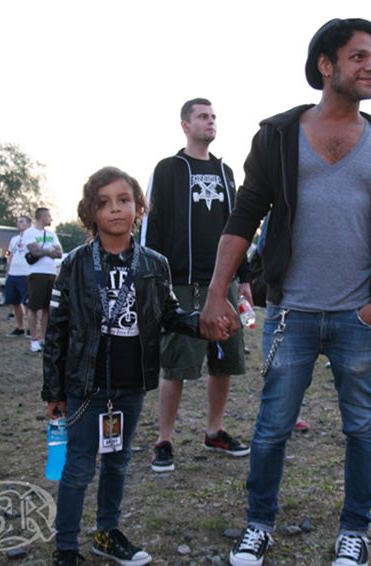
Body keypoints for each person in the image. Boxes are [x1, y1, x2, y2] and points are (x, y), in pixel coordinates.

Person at [199, 18, 371, 566]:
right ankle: (258, 525)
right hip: (289, 313)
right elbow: (245, 216)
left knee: (363, 427)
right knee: (272, 427)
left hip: (358, 317)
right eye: (359, 57)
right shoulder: (278, 136)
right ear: (326, 65)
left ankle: (355, 532)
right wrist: (217, 292)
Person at [42, 166, 227, 566]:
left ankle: (107, 534)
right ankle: (67, 547)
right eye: (104, 202)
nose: (115, 209)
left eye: (124, 200)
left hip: (130, 384)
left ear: (138, 207)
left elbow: (169, 314)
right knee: (78, 466)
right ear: (90, 212)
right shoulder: (74, 263)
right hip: (85, 385)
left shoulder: (155, 264)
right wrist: (53, 390)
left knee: (117, 461)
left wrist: (202, 324)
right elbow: (56, 330)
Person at [140, 97, 251, 473]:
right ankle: (164, 440)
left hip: (222, 282)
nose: (210, 121)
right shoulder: (168, 169)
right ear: (185, 125)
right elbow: (151, 226)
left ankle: (214, 431)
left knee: (224, 361)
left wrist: (242, 278)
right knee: (176, 365)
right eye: (203, 116)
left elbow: (238, 227)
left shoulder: (226, 172)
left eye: (214, 116)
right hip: (182, 284)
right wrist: (153, 280)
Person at [24, 207, 62, 353]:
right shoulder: (30, 233)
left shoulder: (52, 234)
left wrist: (44, 251)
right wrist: (49, 251)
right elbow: (34, 251)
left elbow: (59, 253)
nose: (51, 219)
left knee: (47, 308)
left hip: (51, 273)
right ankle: (34, 339)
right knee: (34, 307)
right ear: (43, 217)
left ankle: (43, 338)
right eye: (49, 216)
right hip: (36, 274)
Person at [5, 215, 32, 336]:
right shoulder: (13, 239)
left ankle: (30, 328)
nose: (18, 223)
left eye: (21, 221)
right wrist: (8, 268)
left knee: (28, 303)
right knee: (15, 301)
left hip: (26, 273)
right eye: (18, 221)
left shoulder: (32, 238)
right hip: (13, 273)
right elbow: (9, 254)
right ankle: (20, 327)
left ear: (28, 224)